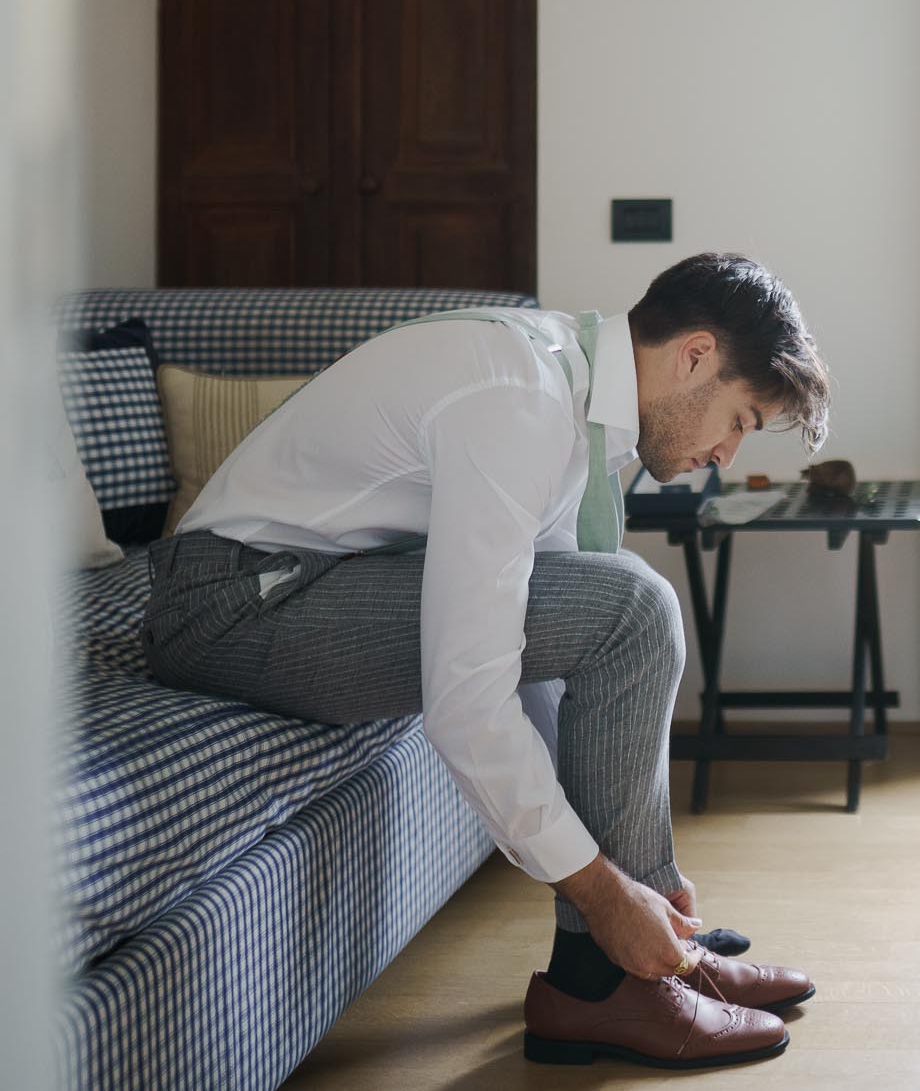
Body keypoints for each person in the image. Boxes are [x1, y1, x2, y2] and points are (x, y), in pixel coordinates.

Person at [141, 252, 831, 1069]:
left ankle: (635, 966)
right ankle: (605, 981)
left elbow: (536, 660)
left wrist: (631, 875)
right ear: (695, 356)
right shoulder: (522, 401)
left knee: (624, 605)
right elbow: (467, 699)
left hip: (305, 580)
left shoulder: (569, 392)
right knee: (637, 603)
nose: (725, 452)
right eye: (742, 418)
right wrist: (603, 894)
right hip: (229, 602)